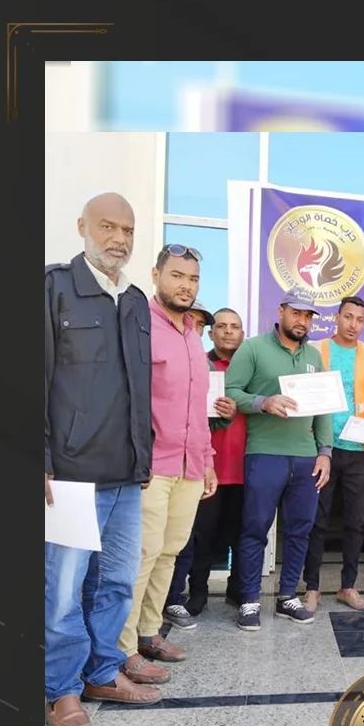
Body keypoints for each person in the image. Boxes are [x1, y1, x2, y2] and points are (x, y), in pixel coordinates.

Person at [44, 193, 160, 726]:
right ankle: (61, 691)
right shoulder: (54, 288)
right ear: (82, 226)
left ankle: (102, 672)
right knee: (64, 592)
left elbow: (139, 388)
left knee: (115, 583)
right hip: (69, 476)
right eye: (108, 226)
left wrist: (143, 457)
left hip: (125, 477)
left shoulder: (135, 301)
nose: (119, 238)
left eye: (127, 230)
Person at [118, 244, 218, 685]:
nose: (185, 285)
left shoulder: (194, 334)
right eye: (177, 275)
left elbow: (199, 408)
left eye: (193, 279)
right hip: (152, 466)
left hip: (190, 466)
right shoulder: (141, 325)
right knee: (141, 556)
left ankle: (148, 632)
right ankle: (122, 650)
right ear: (156, 274)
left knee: (169, 552)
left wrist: (208, 461)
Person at [225, 286, 333, 630]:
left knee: (300, 530)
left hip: (305, 457)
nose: (302, 321)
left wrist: (325, 452)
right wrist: (263, 402)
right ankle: (249, 600)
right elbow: (230, 392)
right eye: (296, 313)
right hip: (264, 453)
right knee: (255, 528)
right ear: (281, 311)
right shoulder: (253, 348)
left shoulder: (314, 356)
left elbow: (324, 409)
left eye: (308, 316)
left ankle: (288, 596)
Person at [302, 297, 364, 613]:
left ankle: (348, 586)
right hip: (322, 448)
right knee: (317, 520)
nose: (353, 324)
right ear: (336, 317)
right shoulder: (316, 350)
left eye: (359, 319)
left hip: (359, 449)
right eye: (348, 317)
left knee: (355, 522)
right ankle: (312, 588)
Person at [165, 308, 244, 626]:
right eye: (221, 326)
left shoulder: (250, 367)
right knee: (200, 535)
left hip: (244, 467)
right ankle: (197, 592)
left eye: (234, 327)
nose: (228, 331)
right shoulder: (198, 364)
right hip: (205, 467)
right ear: (211, 334)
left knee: (242, 534)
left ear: (242, 333)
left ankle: (238, 591)